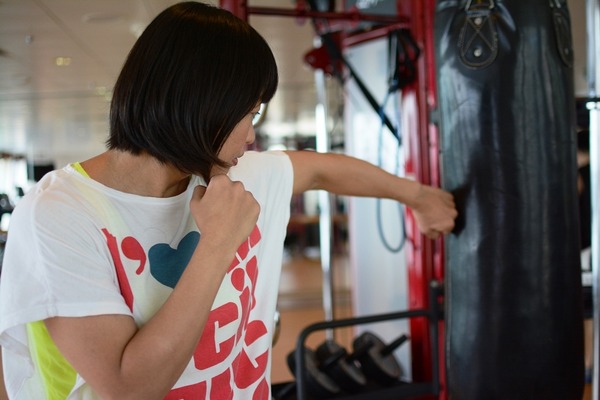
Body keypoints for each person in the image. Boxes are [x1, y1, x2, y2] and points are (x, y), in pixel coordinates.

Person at [0, 2, 457, 399]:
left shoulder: (229, 178)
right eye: (250, 112)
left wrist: (416, 196)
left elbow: (320, 168)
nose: (252, 133)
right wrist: (217, 243)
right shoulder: (57, 214)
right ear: (205, 102)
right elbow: (130, 387)